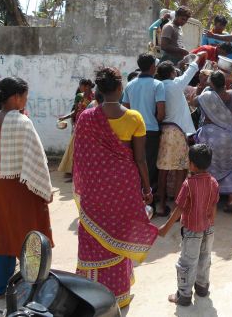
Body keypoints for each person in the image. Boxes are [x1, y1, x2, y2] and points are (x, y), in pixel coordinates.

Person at [73, 67, 158, 308]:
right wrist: (146, 189)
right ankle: (118, 295)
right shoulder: (134, 118)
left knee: (92, 236)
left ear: (98, 90)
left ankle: (89, 295)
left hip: (95, 189)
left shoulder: (87, 117)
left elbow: (81, 158)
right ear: (120, 88)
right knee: (121, 234)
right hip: (124, 189)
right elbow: (140, 159)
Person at [0, 77, 53, 297]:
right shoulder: (22, 122)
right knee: (30, 235)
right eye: (25, 96)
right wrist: (46, 189)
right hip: (22, 187)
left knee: (2, 237)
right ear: (17, 97)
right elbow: (37, 160)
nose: (26, 100)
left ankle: (2, 288)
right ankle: (33, 286)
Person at [158, 144, 219, 306]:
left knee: (187, 262)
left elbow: (179, 209)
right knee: (204, 258)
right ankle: (202, 288)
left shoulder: (188, 184)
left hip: (192, 230)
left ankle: (184, 295)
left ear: (191, 164)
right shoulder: (213, 182)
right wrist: (211, 223)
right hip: (209, 229)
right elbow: (214, 205)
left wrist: (165, 227)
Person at [156, 53, 206, 216]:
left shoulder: (157, 86)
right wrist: (195, 58)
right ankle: (178, 210)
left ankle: (161, 205)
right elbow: (192, 69)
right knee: (180, 170)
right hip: (177, 132)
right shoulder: (176, 84)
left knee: (163, 171)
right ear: (172, 73)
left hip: (163, 131)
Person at [195, 71, 232, 212]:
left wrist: (202, 86)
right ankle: (230, 200)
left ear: (211, 83)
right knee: (228, 166)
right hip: (228, 137)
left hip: (210, 135)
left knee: (208, 167)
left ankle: (209, 200)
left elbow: (192, 101)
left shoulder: (206, 96)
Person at [123, 53, 166, 191]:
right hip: (151, 130)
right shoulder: (158, 85)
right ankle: (149, 200)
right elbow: (161, 113)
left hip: (133, 132)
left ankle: (136, 197)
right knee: (150, 166)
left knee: (136, 163)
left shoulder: (129, 85)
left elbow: (126, 110)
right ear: (153, 67)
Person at [57, 78, 95, 180]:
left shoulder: (94, 97)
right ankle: (74, 174)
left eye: (81, 85)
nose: (79, 87)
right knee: (75, 150)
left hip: (90, 129)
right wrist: (64, 117)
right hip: (78, 127)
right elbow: (75, 112)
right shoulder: (79, 96)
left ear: (86, 86)